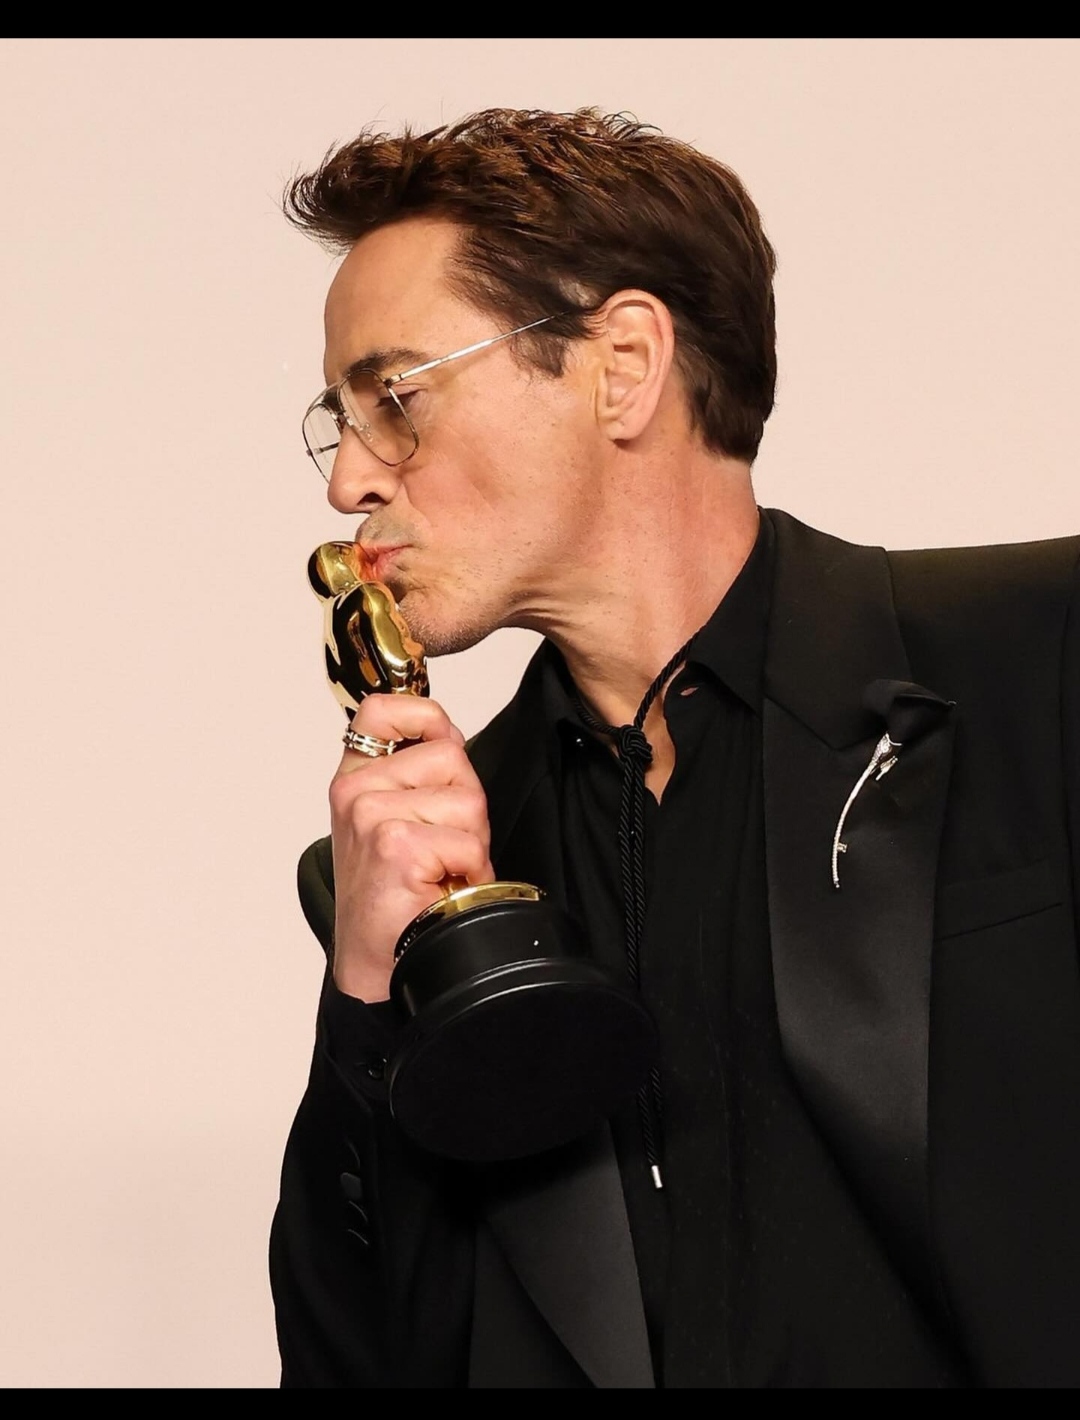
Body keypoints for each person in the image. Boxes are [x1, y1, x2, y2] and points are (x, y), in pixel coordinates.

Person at [268, 108, 1080, 1388]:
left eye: (398, 399)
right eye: (343, 418)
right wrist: (367, 999)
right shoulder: (415, 868)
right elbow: (360, 1360)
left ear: (624, 364)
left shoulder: (1040, 660)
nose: (349, 482)